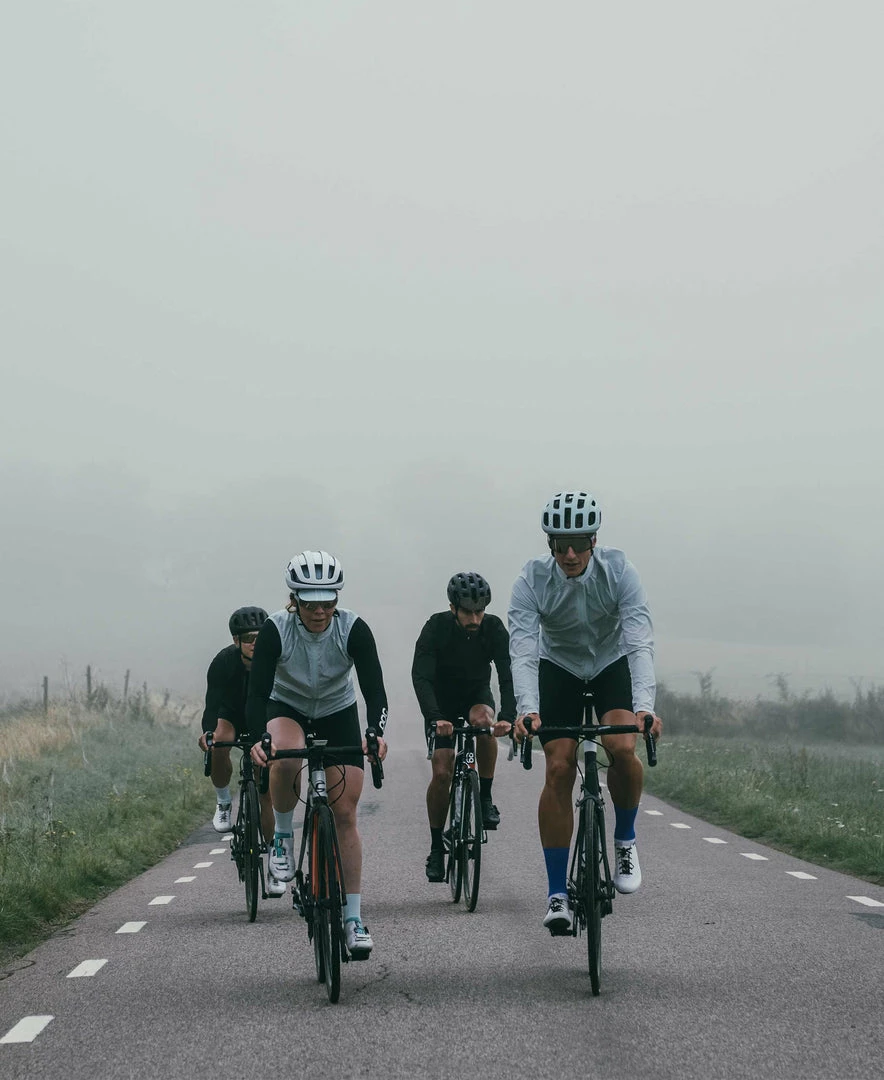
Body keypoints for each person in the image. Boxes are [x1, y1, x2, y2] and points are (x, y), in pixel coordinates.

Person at [508, 491, 663, 933]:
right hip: (559, 668)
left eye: (578, 543)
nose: (570, 554)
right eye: (560, 544)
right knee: (558, 767)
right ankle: (557, 893)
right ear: (550, 544)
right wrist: (528, 710)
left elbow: (639, 641)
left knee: (622, 746)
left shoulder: (620, 572)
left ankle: (625, 839)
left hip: (610, 664)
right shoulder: (531, 580)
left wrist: (645, 707)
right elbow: (523, 651)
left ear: (594, 541)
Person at [248, 550, 389, 959]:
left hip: (337, 710)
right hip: (287, 706)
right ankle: (282, 839)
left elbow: (375, 690)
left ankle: (353, 919)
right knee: (286, 755)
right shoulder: (276, 630)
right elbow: (257, 693)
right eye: (310, 604)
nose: (319, 612)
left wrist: (375, 733)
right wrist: (259, 738)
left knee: (345, 814)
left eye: (327, 602)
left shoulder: (353, 628)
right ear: (294, 600)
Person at [412, 571, 515, 882]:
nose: (474, 619)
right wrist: (434, 717)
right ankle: (436, 848)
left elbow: (507, 673)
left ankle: (485, 798)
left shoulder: (493, 628)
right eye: (468, 612)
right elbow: (421, 677)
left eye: (479, 611)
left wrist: (507, 715)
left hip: (475, 695)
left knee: (484, 724)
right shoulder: (435, 627)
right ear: (452, 608)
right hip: (441, 703)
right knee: (442, 772)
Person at [198, 606, 281, 892]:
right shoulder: (223, 662)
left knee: (266, 793)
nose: (255, 643)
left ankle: (275, 862)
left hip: (264, 717)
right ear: (236, 641)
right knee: (219, 742)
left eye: (260, 637)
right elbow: (212, 704)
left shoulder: (275, 660)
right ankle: (223, 802)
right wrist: (208, 733)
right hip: (232, 713)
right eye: (248, 638)